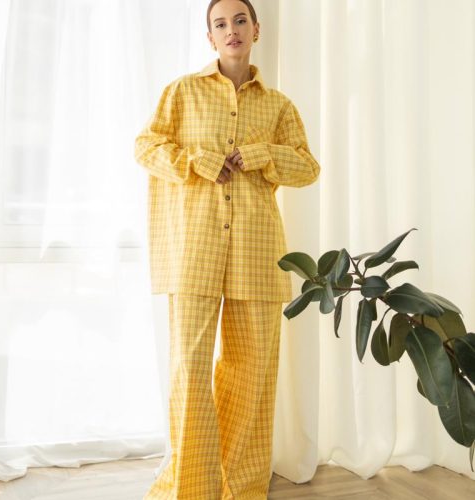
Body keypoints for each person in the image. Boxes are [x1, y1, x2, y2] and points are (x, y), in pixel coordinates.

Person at [134, 0, 321, 498]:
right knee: (190, 370)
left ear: (256, 30)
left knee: (252, 373)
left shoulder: (278, 106)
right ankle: (192, 487)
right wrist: (195, 161)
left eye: (240, 21)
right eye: (221, 24)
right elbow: (146, 147)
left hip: (256, 254)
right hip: (193, 252)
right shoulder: (182, 92)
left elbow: (308, 167)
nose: (231, 30)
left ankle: (239, 487)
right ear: (210, 37)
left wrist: (261, 155)